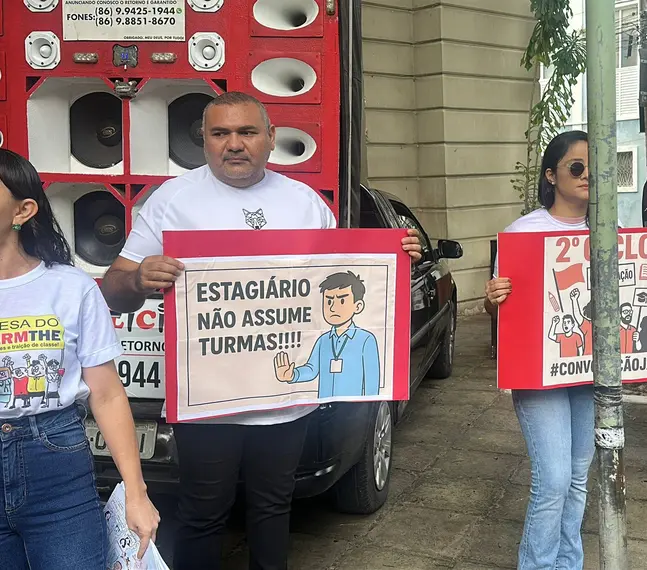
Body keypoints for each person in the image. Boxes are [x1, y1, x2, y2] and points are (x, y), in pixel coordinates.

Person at [99, 91, 422, 570]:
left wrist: (396, 256)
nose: (234, 143)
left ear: (271, 138)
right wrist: (138, 279)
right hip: (205, 404)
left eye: (247, 132)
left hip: (283, 402)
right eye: (220, 133)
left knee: (274, 511)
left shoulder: (305, 203)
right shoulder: (170, 200)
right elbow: (112, 289)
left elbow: (340, 279)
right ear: (204, 141)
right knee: (203, 515)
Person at [484, 130, 647, 570]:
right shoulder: (523, 232)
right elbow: (502, 315)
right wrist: (494, 298)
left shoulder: (613, 233)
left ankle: (568, 563)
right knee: (552, 480)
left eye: (595, 167)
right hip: (540, 374)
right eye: (576, 166)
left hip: (593, 373)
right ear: (551, 175)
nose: (587, 174)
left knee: (576, 479)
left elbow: (645, 290)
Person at [0, 149, 159, 569]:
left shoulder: (71, 288)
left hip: (56, 467)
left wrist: (137, 493)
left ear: (23, 210)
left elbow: (106, 396)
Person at [274, 270, 382, 397]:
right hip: (324, 405)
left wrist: (370, 404)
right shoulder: (323, 340)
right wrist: (292, 375)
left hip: (353, 406)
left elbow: (371, 380)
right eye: (329, 301)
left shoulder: (366, 340)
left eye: (342, 301)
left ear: (358, 306)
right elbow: (311, 369)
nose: (333, 308)